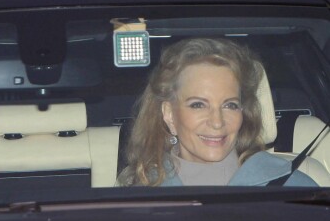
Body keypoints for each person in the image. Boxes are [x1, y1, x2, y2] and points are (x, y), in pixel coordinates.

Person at [117, 38, 317, 187]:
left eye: (229, 105)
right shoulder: (138, 190)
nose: (217, 122)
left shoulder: (293, 187)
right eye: (198, 105)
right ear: (169, 114)